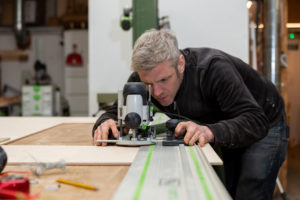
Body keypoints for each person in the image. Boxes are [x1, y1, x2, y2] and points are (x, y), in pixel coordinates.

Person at [92, 29, 288, 200]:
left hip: (265, 121)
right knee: (225, 188)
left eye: (164, 80)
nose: (157, 92)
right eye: (149, 84)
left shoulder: (212, 69)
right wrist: (105, 122)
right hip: (224, 122)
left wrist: (209, 131)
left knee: (250, 189)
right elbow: (113, 112)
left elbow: (256, 120)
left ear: (180, 64)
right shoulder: (144, 78)